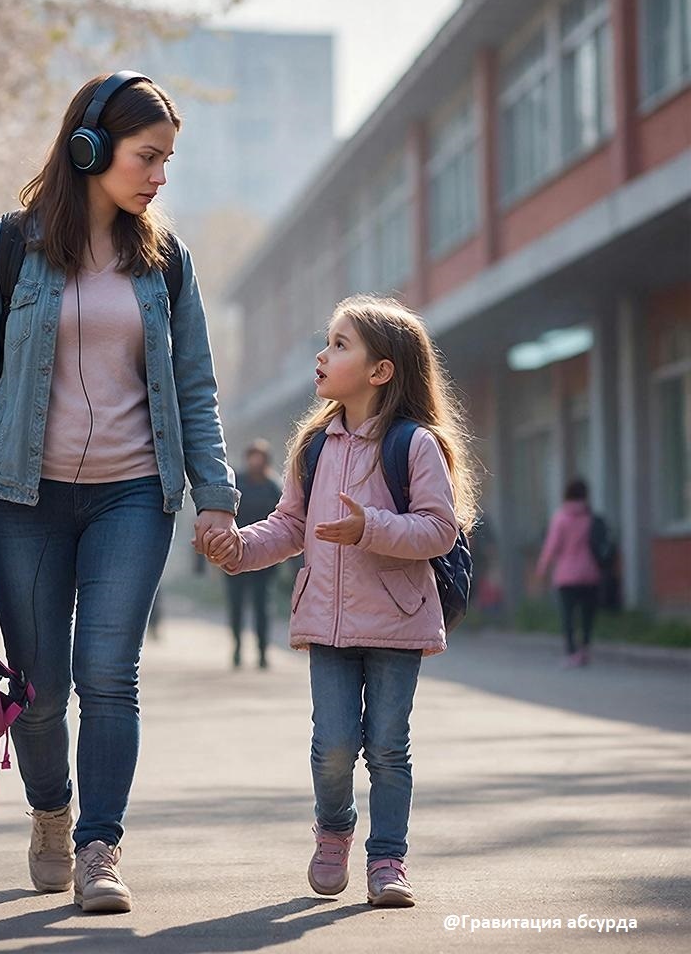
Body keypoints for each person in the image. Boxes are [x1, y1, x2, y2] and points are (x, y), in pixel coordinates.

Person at [0, 71, 239, 914]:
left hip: (131, 496)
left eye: (168, 158)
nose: (160, 175)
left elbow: (196, 385)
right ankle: (51, 813)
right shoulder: (5, 248)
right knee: (37, 685)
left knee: (109, 674)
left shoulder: (165, 264)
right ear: (90, 148)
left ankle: (100, 845)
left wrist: (215, 492)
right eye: (149, 155)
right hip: (20, 499)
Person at [205, 294, 479, 908]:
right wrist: (239, 548)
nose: (322, 356)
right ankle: (334, 832)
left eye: (339, 344)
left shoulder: (415, 445)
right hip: (326, 623)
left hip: (396, 621)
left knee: (387, 744)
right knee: (332, 743)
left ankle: (387, 860)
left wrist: (370, 528)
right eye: (326, 343)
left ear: (381, 371)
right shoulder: (314, 446)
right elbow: (289, 525)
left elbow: (439, 528)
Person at [226, 439, 282, 668]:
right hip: (235, 554)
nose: (255, 461)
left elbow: (287, 524)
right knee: (236, 605)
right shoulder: (236, 484)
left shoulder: (273, 486)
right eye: (252, 456)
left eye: (259, 457)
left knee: (262, 607)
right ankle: (238, 647)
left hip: (265, 558)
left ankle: (262, 652)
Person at [535, 478, 603, 667]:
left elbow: (551, 546)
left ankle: (572, 652)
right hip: (590, 573)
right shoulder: (590, 517)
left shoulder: (561, 517)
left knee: (568, 616)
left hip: (566, 576)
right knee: (587, 615)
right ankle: (586, 649)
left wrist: (542, 568)